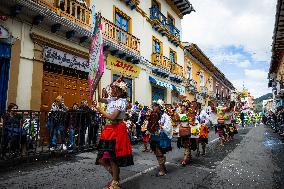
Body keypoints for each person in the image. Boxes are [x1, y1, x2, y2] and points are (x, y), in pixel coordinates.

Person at [95, 76, 134, 189]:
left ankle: (115, 182)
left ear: (119, 90)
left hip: (116, 129)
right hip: (108, 130)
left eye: (114, 88)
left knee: (113, 158)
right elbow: (99, 99)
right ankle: (115, 177)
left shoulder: (122, 101)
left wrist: (100, 110)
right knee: (102, 159)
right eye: (112, 88)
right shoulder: (113, 99)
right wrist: (96, 84)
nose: (112, 90)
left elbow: (112, 116)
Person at [148, 100, 172, 177]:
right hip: (154, 136)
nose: (153, 107)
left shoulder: (165, 116)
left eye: (155, 106)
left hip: (161, 136)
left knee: (159, 153)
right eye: (153, 105)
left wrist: (162, 126)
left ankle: (162, 170)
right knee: (157, 153)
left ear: (159, 107)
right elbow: (149, 124)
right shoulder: (152, 115)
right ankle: (163, 166)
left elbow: (168, 126)